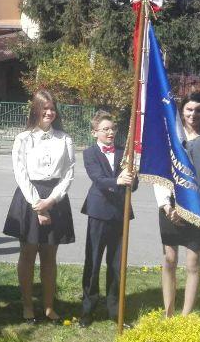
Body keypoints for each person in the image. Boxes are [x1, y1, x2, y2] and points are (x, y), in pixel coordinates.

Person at [3, 90, 75, 323]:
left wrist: (51, 201)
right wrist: (39, 205)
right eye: (45, 108)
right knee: (28, 253)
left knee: (49, 256)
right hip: (29, 198)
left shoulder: (65, 139)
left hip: (56, 199)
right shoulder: (23, 139)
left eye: (52, 108)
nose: (49, 112)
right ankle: (27, 306)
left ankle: (48, 307)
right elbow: (20, 173)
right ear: (36, 110)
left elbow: (69, 173)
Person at [154, 91, 200, 317]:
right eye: (189, 109)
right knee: (169, 259)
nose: (194, 114)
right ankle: (169, 313)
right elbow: (161, 173)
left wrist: (192, 206)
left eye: (199, 110)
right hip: (169, 205)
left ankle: (185, 317)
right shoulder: (170, 136)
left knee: (193, 262)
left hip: (196, 205)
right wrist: (166, 204)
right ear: (182, 111)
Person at [79, 110, 136, 328]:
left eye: (113, 128)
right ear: (95, 132)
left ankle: (115, 310)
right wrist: (117, 181)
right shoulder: (90, 153)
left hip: (120, 213)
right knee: (93, 262)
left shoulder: (124, 152)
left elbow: (133, 185)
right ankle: (88, 309)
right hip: (99, 212)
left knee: (116, 264)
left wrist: (133, 177)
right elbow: (98, 179)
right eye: (105, 129)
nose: (110, 132)